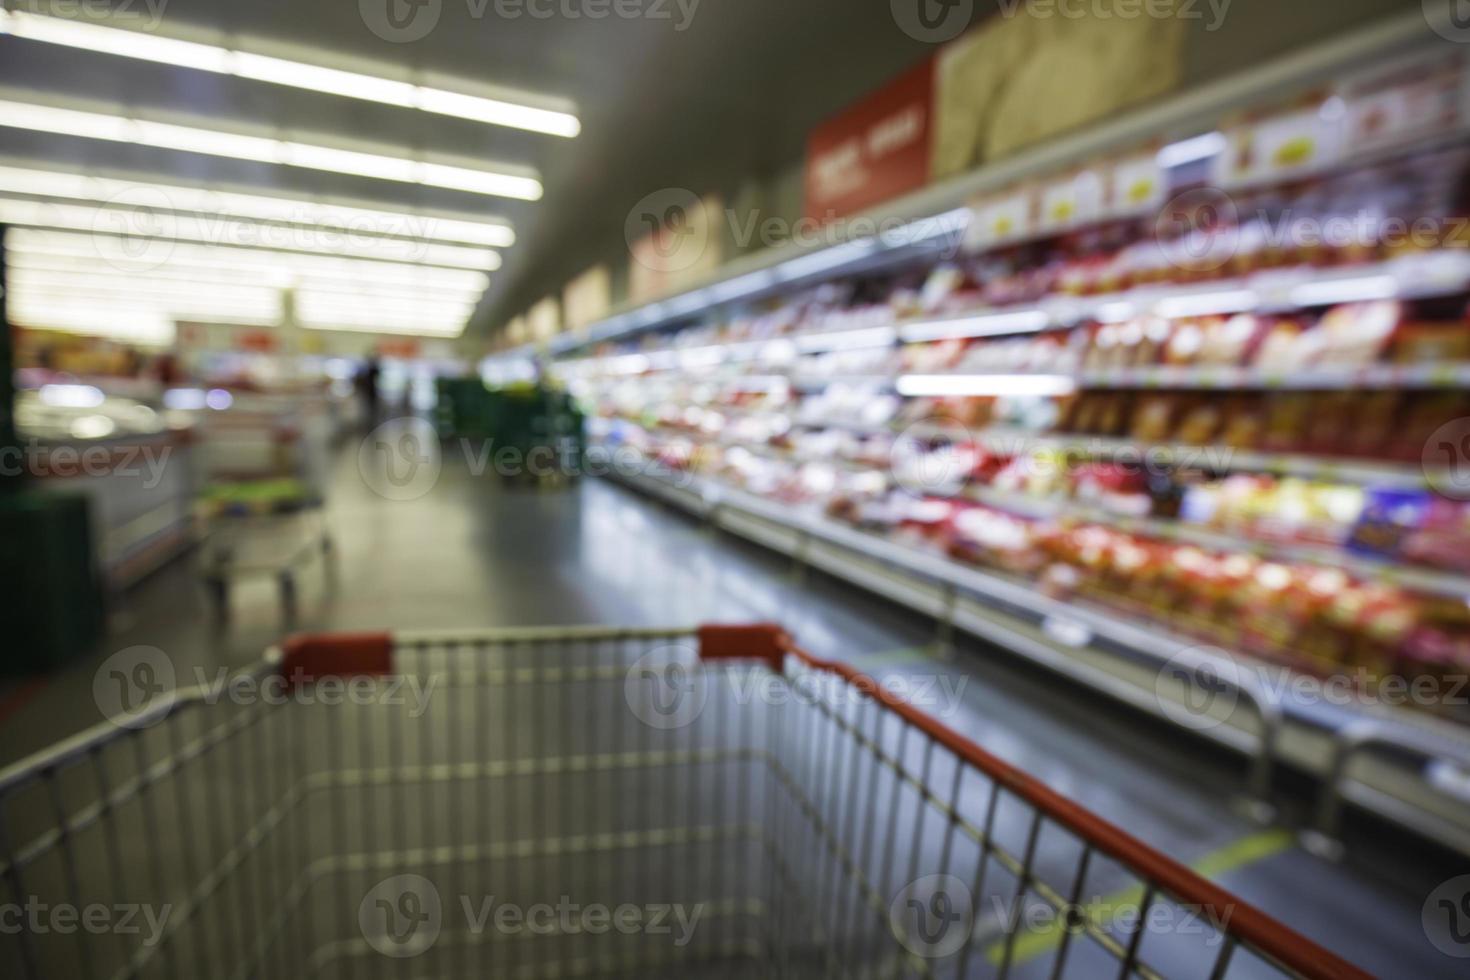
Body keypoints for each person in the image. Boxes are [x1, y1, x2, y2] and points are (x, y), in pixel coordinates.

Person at [357, 356, 382, 428]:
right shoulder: (367, 371)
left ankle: (372, 418)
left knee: (371, 406)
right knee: (369, 406)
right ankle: (370, 418)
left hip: (371, 391)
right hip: (369, 392)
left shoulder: (371, 371)